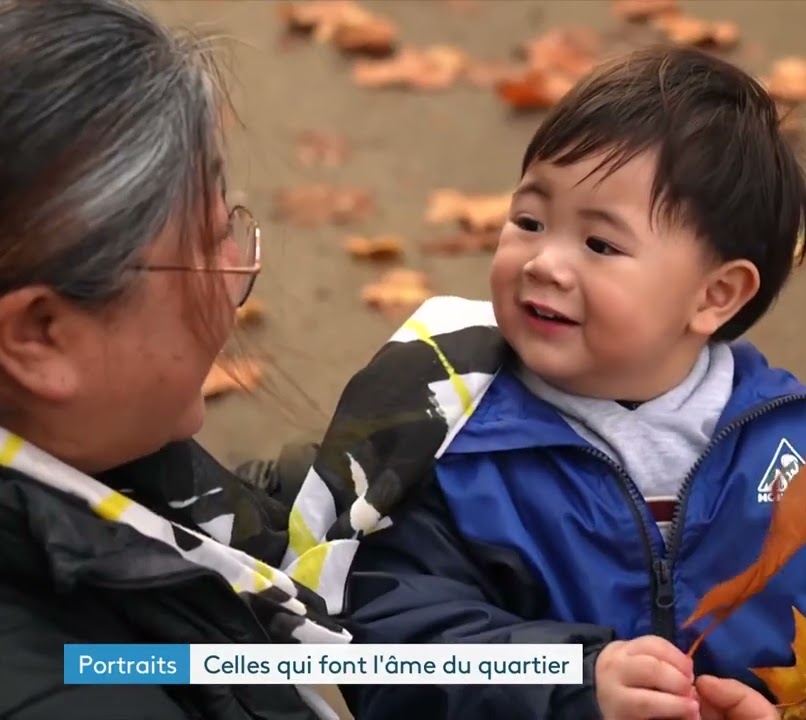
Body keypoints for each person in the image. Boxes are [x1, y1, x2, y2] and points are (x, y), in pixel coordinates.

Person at [340, 46, 806, 720]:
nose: (544, 263)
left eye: (600, 245)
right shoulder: (450, 441)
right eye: (529, 221)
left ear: (715, 295)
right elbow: (393, 644)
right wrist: (574, 683)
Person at [0, 2, 493, 718]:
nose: (236, 275)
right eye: (203, 245)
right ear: (40, 336)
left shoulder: (102, 472)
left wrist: (383, 471)